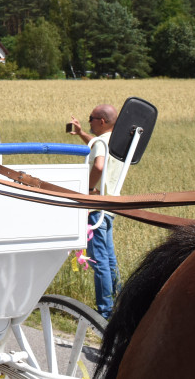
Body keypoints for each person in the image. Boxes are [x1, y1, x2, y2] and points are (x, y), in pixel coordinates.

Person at [68, 103, 121, 318]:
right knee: (109, 259)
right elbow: (98, 146)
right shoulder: (115, 141)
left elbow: (98, 165)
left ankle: (105, 313)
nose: (88, 121)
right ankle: (119, 303)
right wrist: (81, 133)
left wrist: (88, 190)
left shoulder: (102, 142)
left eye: (91, 118)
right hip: (109, 206)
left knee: (99, 260)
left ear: (102, 121)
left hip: (95, 206)